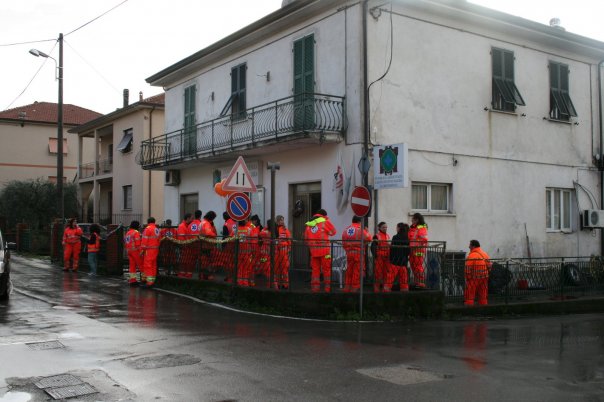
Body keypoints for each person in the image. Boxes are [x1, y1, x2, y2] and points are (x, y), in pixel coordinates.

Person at [304, 209, 337, 292]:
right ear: (324, 215)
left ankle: (315, 288)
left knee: (315, 271)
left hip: (314, 252)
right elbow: (333, 232)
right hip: (325, 251)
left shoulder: (309, 224)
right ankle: (327, 288)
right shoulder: (325, 221)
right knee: (326, 270)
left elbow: (306, 238)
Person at [341, 216, 372, 292]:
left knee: (349, 271)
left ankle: (347, 288)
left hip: (349, 254)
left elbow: (343, 243)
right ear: (359, 221)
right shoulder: (360, 229)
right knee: (357, 272)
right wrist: (367, 231)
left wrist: (348, 250)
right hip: (358, 254)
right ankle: (354, 289)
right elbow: (369, 238)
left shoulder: (346, 230)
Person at [464, 240, 492, 306]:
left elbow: (467, 268)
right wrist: (487, 273)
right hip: (485, 277)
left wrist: (467, 278)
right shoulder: (485, 254)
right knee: (483, 293)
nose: (468, 246)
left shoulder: (471, 256)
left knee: (470, 293)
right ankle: (483, 305)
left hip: (474, 278)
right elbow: (489, 265)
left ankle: (469, 306)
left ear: (473, 246)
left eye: (470, 245)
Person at [408, 212, 428, 288]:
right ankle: (417, 282)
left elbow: (424, 239)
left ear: (416, 220)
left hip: (418, 250)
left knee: (418, 266)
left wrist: (417, 244)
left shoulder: (421, 227)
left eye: (412, 218)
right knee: (413, 266)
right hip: (412, 250)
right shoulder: (412, 227)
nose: (411, 220)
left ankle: (421, 283)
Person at [389, 222, 410, 291]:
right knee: (404, 280)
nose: (396, 229)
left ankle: (386, 292)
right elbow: (408, 250)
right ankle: (404, 293)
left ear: (399, 228)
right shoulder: (406, 237)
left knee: (390, 279)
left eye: (397, 227)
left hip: (395, 261)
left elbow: (392, 249)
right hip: (403, 261)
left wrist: (391, 258)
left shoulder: (395, 237)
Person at [141, 217, 160, 288]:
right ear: (154, 222)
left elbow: (144, 240)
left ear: (148, 222)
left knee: (148, 265)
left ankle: (149, 282)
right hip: (155, 250)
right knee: (153, 265)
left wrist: (142, 249)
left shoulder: (148, 229)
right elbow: (158, 240)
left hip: (149, 250)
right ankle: (153, 281)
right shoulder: (157, 229)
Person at [235, 219, 256, 287]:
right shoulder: (249, 229)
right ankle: (245, 283)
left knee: (239, 268)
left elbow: (231, 239)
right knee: (246, 269)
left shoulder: (236, 230)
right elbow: (253, 240)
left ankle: (239, 282)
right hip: (247, 253)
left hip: (238, 253)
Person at [372, 221, 391, 292]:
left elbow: (390, 246)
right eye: (383, 227)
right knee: (378, 273)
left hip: (387, 257)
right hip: (379, 257)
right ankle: (376, 287)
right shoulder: (376, 236)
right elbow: (373, 247)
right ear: (379, 228)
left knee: (386, 272)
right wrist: (376, 256)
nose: (385, 228)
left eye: (386, 227)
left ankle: (384, 287)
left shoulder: (388, 236)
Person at [274, 215, 292, 290]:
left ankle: (286, 284)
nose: (282, 221)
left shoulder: (285, 230)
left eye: (283, 220)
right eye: (281, 220)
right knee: (276, 268)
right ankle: (278, 283)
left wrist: (288, 249)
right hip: (276, 251)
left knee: (284, 268)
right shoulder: (274, 229)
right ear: (277, 221)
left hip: (284, 251)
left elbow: (289, 240)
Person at [200, 211, 218, 280]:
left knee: (204, 261)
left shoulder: (202, 222)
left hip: (203, 244)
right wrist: (215, 235)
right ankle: (208, 276)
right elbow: (209, 233)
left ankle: (203, 275)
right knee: (209, 261)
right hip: (208, 245)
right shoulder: (206, 223)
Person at [124, 220, 143, 286]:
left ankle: (132, 281)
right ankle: (144, 280)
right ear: (137, 226)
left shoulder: (128, 233)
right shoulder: (136, 232)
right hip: (135, 251)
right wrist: (141, 252)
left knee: (132, 266)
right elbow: (138, 244)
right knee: (141, 265)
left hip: (129, 251)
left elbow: (126, 243)